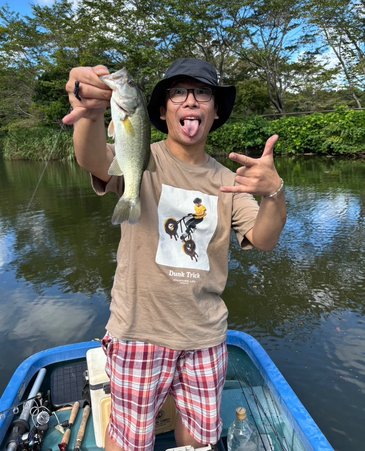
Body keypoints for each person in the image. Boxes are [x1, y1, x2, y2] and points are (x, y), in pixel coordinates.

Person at [63, 58, 287, 451]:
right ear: (163, 111)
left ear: (215, 111)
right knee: (128, 439)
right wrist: (91, 113)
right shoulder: (141, 157)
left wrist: (273, 193)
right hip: (137, 331)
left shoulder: (229, 182)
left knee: (199, 440)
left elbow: (264, 239)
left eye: (203, 93)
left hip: (205, 335)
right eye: (178, 93)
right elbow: (92, 158)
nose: (190, 101)